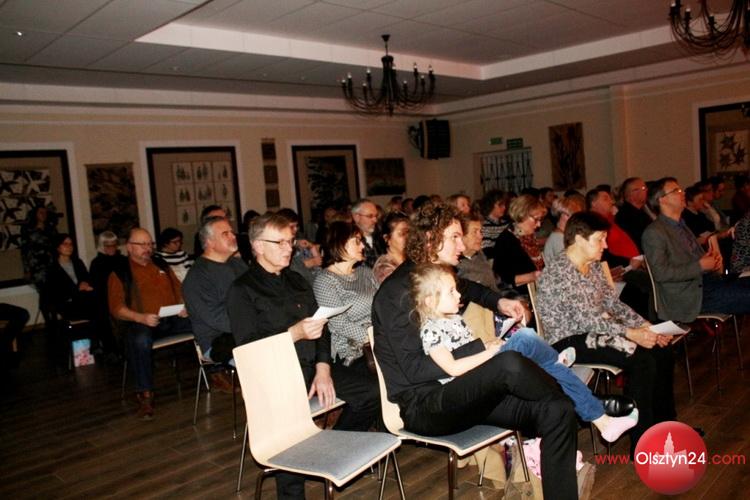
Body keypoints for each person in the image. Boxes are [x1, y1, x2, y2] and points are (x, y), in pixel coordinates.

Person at [372, 203, 579, 500]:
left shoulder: (438, 276)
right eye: (455, 237)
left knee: (558, 410)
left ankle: (573, 405)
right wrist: (480, 353)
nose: (463, 245)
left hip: (463, 391)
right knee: (508, 362)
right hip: (425, 404)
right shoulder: (396, 293)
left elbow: (470, 288)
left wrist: (499, 302)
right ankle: (581, 399)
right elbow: (414, 370)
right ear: (430, 239)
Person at [227, 212, 379, 499]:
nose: (289, 248)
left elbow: (322, 327)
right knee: (290, 432)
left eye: (291, 241)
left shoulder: (297, 280)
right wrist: (292, 334)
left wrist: (323, 368)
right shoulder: (242, 289)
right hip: (273, 375)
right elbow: (247, 349)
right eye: (280, 242)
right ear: (258, 246)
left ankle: (332, 449)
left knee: (371, 393)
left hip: (311, 365)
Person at [413, 263, 638, 443]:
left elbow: (466, 351)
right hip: (466, 388)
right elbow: (453, 368)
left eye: (456, 289)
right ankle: (552, 362)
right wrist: (491, 353)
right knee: (526, 338)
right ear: (430, 301)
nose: (458, 295)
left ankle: (602, 420)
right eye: (451, 292)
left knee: (545, 358)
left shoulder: (453, 320)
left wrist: (490, 345)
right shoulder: (430, 330)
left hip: (480, 373)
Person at [537, 211, 677, 454]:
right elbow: (586, 320)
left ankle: (664, 426)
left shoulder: (591, 267)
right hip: (568, 340)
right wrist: (630, 333)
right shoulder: (559, 272)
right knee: (641, 359)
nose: (606, 245)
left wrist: (646, 326)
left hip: (593, 333)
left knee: (661, 350)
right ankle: (642, 442)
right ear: (579, 239)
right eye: (600, 239)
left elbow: (613, 304)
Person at [108, 228, 191, 420]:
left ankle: (216, 370)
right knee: (140, 339)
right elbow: (116, 308)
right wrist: (140, 317)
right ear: (129, 247)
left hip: (171, 318)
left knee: (203, 321)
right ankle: (145, 394)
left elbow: (179, 289)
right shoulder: (119, 272)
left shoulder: (161, 264)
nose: (147, 248)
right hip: (140, 323)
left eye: (149, 244)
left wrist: (184, 305)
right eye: (142, 244)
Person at [642, 177, 750, 322]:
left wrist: (712, 262)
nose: (682, 193)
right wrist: (700, 266)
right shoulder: (654, 232)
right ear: (662, 200)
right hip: (690, 297)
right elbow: (661, 273)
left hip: (708, 285)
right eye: (676, 191)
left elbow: (697, 261)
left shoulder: (681, 226)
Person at [182, 216, 247, 393]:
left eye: (232, 232)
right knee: (264, 356)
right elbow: (216, 318)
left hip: (245, 330)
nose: (233, 236)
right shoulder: (197, 277)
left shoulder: (237, 264)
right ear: (209, 242)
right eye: (225, 234)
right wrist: (255, 323)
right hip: (218, 340)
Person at [492, 194, 546, 288]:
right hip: (518, 293)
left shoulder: (529, 238)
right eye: (536, 219)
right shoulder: (506, 240)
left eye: (540, 220)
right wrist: (532, 276)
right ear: (523, 215)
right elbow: (502, 279)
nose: (539, 224)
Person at [89, 231, 128, 358]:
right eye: (107, 245)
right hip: (104, 300)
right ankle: (112, 350)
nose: (111, 247)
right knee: (103, 314)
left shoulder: (123, 260)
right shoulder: (96, 263)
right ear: (102, 246)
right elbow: (97, 287)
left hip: (124, 297)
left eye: (113, 244)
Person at [45, 234, 95, 322]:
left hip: (83, 298)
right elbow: (56, 293)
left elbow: (87, 277)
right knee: (94, 309)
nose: (69, 247)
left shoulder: (77, 262)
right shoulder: (52, 269)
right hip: (66, 303)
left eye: (71, 244)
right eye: (65, 244)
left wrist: (85, 283)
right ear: (58, 247)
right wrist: (77, 289)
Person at [457, 211, 500, 291]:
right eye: (475, 232)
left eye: (480, 231)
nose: (480, 236)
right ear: (462, 236)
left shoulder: (479, 255)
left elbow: (495, 283)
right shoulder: (457, 266)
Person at [615, 177, 653, 251]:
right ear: (630, 194)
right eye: (642, 188)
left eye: (645, 188)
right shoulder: (626, 216)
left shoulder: (644, 210)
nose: (646, 190)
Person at [543, 195, 584, 262]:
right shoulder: (557, 237)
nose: (574, 218)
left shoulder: (563, 234)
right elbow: (568, 262)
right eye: (570, 214)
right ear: (561, 215)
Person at [372, 211, 409, 284]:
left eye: (410, 232)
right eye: (402, 234)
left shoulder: (410, 259)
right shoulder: (385, 269)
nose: (408, 237)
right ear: (386, 238)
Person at [479, 189, 509, 258]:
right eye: (500, 205)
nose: (504, 207)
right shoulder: (484, 225)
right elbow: (487, 251)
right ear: (490, 205)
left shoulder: (506, 224)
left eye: (504, 204)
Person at [350, 199, 380, 268]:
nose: (375, 220)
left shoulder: (380, 237)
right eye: (370, 216)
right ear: (356, 217)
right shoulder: (350, 242)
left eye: (376, 216)